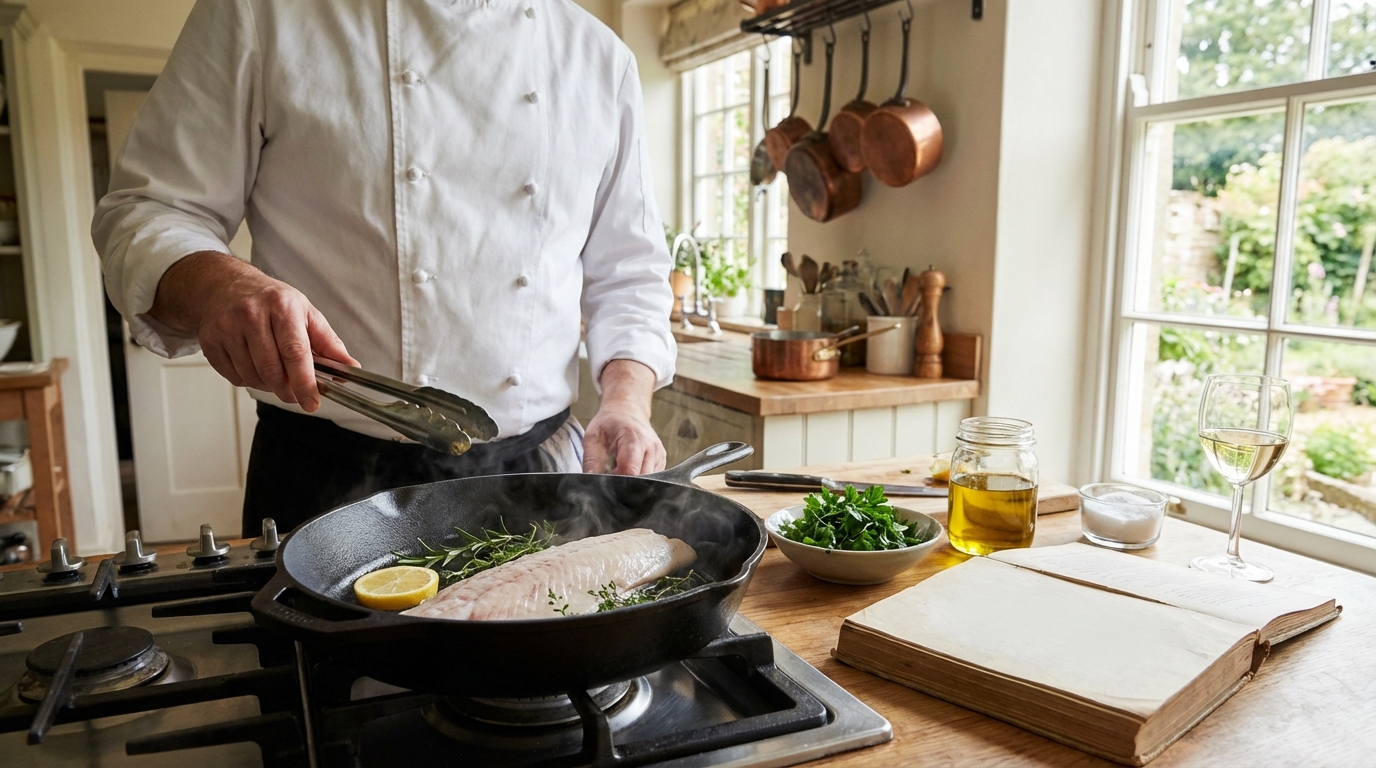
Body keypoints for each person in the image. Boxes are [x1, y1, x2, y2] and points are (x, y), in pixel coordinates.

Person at [92, 0, 676, 536]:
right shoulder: (262, 12)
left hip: (537, 471)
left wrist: (626, 401)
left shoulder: (599, 58)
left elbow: (629, 271)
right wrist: (221, 284)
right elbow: (148, 209)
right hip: (323, 474)